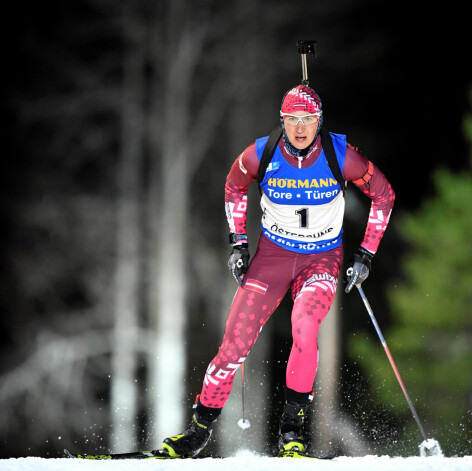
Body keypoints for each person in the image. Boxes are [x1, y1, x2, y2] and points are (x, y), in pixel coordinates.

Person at [161, 84, 395, 458]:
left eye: (307, 120)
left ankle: (292, 431)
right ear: (281, 121)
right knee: (234, 343)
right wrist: (238, 244)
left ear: (319, 122)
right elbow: (234, 188)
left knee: (305, 325)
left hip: (321, 259)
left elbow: (383, 194)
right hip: (272, 258)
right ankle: (198, 429)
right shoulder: (261, 153)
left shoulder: (340, 155)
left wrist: (365, 254)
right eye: (291, 120)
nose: (299, 129)